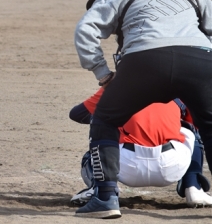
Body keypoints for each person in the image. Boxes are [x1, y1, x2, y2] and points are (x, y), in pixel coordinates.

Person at [74, 0, 212, 219]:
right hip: (198, 57)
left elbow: (85, 30)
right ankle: (193, 183)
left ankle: (105, 198)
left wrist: (103, 73)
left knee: (105, 119)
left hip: (144, 61)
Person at [69, 88, 212, 208]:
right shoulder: (178, 86)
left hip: (125, 167)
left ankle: (102, 190)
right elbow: (200, 121)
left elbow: (77, 114)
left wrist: (110, 117)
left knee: (101, 131)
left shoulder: (117, 84)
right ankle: (194, 188)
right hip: (171, 167)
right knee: (189, 128)